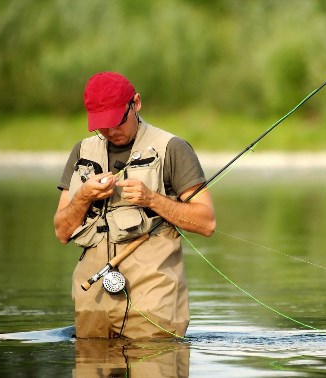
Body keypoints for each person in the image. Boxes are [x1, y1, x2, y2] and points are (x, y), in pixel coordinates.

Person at [54, 71, 216, 339]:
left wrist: (151, 199)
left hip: (154, 304)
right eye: (101, 125)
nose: (111, 132)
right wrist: (83, 196)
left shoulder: (173, 148)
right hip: (91, 300)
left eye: (117, 121)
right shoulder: (81, 152)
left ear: (136, 103)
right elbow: (61, 232)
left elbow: (207, 223)